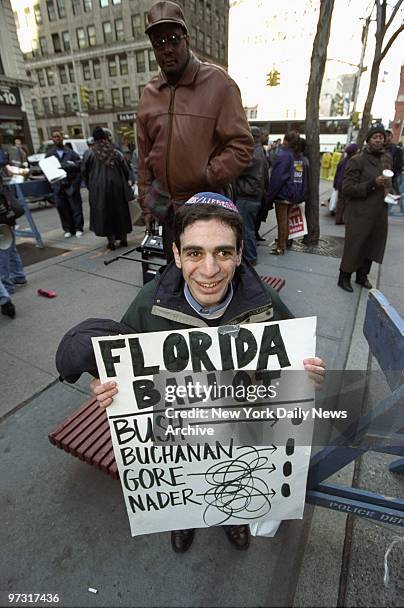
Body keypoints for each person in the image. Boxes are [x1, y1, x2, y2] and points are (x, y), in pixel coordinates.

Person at [88, 193, 326, 553]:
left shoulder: (266, 304)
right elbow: (121, 371)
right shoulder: (147, 304)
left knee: (236, 473)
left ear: (240, 253)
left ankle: (233, 515)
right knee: (184, 477)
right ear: (176, 254)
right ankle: (182, 515)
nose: (210, 269)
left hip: (239, 428)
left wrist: (309, 375)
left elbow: (295, 365)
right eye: (195, 252)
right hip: (175, 431)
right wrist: (109, 388)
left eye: (223, 252)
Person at [137, 0, 253, 260]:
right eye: (159, 43)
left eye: (173, 39)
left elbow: (242, 145)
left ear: (186, 40)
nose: (166, 49)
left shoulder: (219, 83)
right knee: (175, 276)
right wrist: (146, 201)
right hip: (168, 209)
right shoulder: (149, 93)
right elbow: (144, 156)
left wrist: (207, 175)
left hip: (207, 208)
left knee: (210, 279)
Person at [338, 125, 392, 292]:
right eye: (375, 137)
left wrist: (390, 192)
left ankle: (362, 276)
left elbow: (388, 181)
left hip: (379, 211)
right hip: (360, 211)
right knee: (355, 245)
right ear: (368, 140)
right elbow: (347, 188)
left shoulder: (386, 158)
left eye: (381, 137)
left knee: (373, 244)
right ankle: (344, 277)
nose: (378, 140)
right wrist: (372, 183)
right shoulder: (357, 160)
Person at [82, 127, 132, 250]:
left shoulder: (90, 153)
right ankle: (124, 238)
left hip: (99, 189)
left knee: (105, 213)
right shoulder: (115, 152)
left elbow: (84, 171)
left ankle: (111, 241)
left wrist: (90, 185)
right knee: (120, 212)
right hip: (117, 188)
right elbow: (126, 170)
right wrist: (124, 182)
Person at [234, 126, 269, 265]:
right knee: (248, 229)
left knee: (246, 230)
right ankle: (249, 256)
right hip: (253, 197)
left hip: (247, 197)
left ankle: (250, 258)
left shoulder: (253, 153)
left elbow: (236, 168)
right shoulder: (260, 151)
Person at [266, 130, 303, 255]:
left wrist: (270, 195)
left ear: (286, 141)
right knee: (286, 221)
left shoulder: (283, 156)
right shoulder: (295, 156)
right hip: (292, 193)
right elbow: (296, 176)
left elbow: (277, 178)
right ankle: (284, 243)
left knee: (281, 221)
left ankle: (280, 246)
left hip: (283, 194)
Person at [45, 132, 84, 239]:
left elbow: (79, 167)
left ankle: (78, 228)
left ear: (62, 138)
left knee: (75, 208)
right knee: (62, 208)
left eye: (58, 136)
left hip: (71, 184)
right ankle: (68, 229)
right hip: (58, 186)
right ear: (52, 139)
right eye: (54, 137)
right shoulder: (49, 154)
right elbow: (46, 171)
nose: (56, 138)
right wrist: (52, 185)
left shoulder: (71, 153)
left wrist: (75, 184)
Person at [0, 171, 27, 318]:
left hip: (1, 223)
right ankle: (19, 276)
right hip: (7, 222)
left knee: (2, 258)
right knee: (10, 251)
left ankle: (7, 289)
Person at [333, 143, 358, 225]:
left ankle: (338, 218)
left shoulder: (342, 161)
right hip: (347, 185)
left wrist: (335, 184)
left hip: (340, 184)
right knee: (347, 203)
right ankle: (345, 219)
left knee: (340, 202)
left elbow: (337, 174)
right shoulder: (353, 162)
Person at [384, 129, 403, 194]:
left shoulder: (397, 150)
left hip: (392, 179)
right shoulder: (379, 149)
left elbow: (399, 166)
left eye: (388, 135)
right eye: (385, 135)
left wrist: (393, 176)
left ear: (391, 137)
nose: (386, 137)